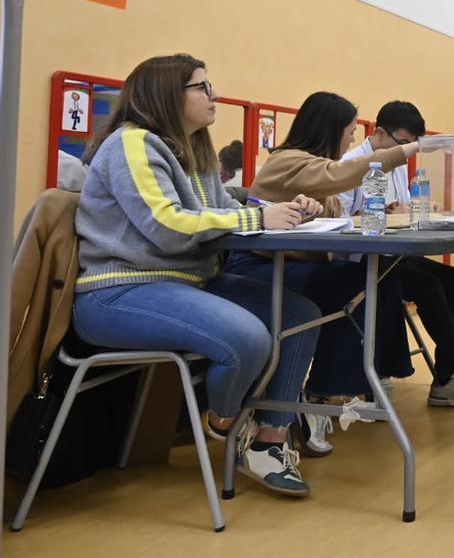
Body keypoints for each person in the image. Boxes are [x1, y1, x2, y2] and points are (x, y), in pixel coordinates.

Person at [72, 54, 322, 497]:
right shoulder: (132, 144)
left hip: (184, 281)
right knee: (248, 337)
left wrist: (280, 213)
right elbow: (167, 226)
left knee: (300, 315)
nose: (215, 95)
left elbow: (221, 211)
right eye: (202, 88)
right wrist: (257, 222)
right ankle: (226, 422)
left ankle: (269, 442)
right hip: (119, 290)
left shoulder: (195, 148)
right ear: (168, 94)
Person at [225, 92, 454, 425]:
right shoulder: (290, 161)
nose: (354, 137)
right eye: (350, 129)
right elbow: (340, 181)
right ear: (329, 129)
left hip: (306, 260)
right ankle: (338, 389)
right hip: (265, 266)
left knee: (439, 279)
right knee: (374, 282)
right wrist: (406, 153)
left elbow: (334, 206)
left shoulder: (315, 164)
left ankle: (434, 375)